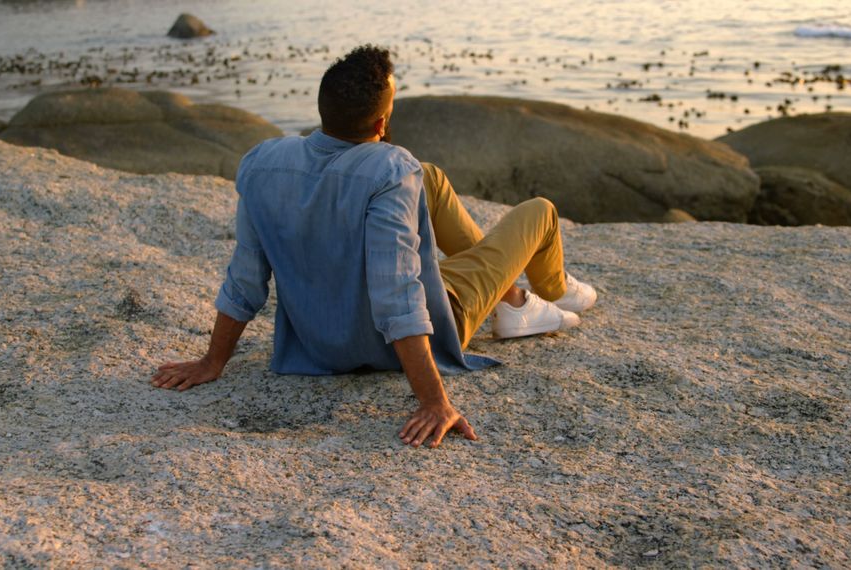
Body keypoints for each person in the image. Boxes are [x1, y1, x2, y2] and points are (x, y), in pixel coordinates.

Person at [151, 45, 596, 448]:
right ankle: (546, 292)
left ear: (322, 109)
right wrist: (434, 402)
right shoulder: (390, 169)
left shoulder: (263, 164)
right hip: (405, 338)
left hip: (318, 346)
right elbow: (397, 293)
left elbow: (245, 278)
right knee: (540, 210)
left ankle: (512, 299)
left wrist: (213, 361)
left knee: (431, 177)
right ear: (382, 123)